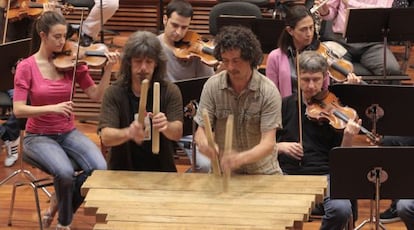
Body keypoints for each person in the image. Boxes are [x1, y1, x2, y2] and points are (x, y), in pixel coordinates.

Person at [13, 11, 119, 230]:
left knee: (100, 168)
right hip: (37, 136)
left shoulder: (72, 62)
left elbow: (96, 95)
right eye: (58, 37)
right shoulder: (27, 67)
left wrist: (108, 68)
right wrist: (53, 107)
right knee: (65, 173)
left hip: (67, 132)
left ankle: (56, 207)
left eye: (65, 36)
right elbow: (18, 110)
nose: (64, 42)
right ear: (43, 35)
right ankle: (64, 223)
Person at [277, 50, 361, 229]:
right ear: (297, 77)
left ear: (324, 78)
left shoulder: (335, 108)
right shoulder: (283, 105)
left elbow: (342, 158)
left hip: (325, 175)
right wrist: (280, 146)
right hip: (289, 174)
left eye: (316, 79)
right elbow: (266, 144)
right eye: (306, 79)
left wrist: (347, 137)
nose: (311, 86)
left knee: (341, 209)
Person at [194, 25, 283, 175]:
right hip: (223, 173)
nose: (230, 67)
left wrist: (239, 159)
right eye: (225, 60)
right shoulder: (212, 86)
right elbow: (201, 130)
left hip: (263, 173)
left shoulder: (268, 91)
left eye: (236, 61)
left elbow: (268, 143)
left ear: (250, 58)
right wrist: (204, 143)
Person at [98, 30, 183, 172]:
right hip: (122, 171)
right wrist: (128, 133)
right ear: (129, 63)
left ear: (156, 63)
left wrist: (166, 126)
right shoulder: (114, 92)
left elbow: (177, 133)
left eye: (149, 61)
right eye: (138, 61)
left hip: (161, 170)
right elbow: (106, 137)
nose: (143, 68)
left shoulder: (170, 91)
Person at [158, 0, 214, 172]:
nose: (179, 32)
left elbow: (208, 86)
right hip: (160, 120)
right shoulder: (153, 47)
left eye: (184, 27)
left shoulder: (196, 47)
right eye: (175, 25)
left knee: (206, 165)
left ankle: (185, 186)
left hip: (190, 119)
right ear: (165, 19)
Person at [266, 5, 361, 98]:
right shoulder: (275, 57)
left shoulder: (321, 52)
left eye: (311, 27)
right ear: (290, 30)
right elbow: (272, 94)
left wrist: (347, 85)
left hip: (319, 110)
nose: (309, 34)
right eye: (303, 29)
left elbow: (328, 91)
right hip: (287, 110)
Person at [314, 0, 402, 76]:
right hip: (342, 41)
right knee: (331, 67)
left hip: (372, 43)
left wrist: (350, 3)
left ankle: (375, 95)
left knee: (391, 69)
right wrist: (325, 11)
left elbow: (381, 11)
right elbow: (331, 13)